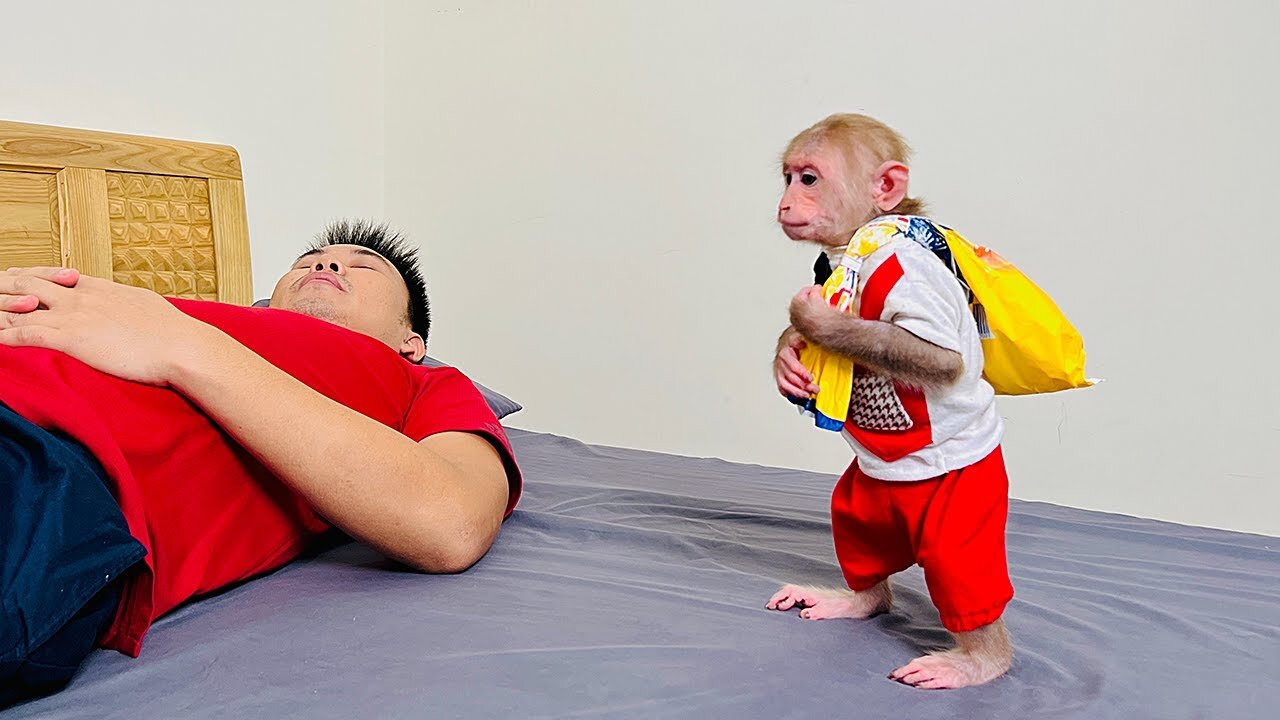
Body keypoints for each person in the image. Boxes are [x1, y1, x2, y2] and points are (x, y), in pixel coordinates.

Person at [0, 220, 522, 706]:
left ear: (412, 344)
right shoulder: (163, 311)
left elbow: (451, 520)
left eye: (362, 266)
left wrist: (179, 342)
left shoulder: (426, 383)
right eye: (308, 260)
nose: (325, 265)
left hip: (50, 470)